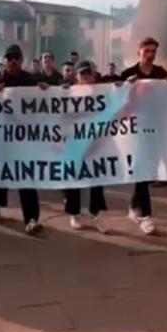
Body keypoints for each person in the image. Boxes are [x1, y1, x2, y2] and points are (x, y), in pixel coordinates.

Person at [121, 37, 167, 235]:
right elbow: (115, 103)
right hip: (133, 130)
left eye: (153, 51)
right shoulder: (128, 74)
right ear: (139, 51)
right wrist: (124, 88)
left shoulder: (160, 74)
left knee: (145, 173)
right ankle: (145, 216)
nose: (150, 55)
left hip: (154, 131)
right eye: (147, 51)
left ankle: (134, 207)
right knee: (142, 170)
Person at [0, 44, 44, 235]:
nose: (13, 60)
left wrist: (45, 90)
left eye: (16, 57)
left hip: (23, 136)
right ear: (4, 60)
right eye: (9, 57)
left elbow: (44, 103)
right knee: (0, 172)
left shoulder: (29, 79)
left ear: (22, 60)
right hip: (0, 135)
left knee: (26, 177)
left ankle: (32, 218)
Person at [62, 61, 108, 233]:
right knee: (73, 178)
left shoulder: (103, 94)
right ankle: (74, 213)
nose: (87, 77)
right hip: (74, 142)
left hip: (95, 143)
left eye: (89, 74)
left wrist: (121, 87)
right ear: (77, 77)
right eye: (83, 74)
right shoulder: (68, 93)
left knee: (97, 178)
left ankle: (97, 213)